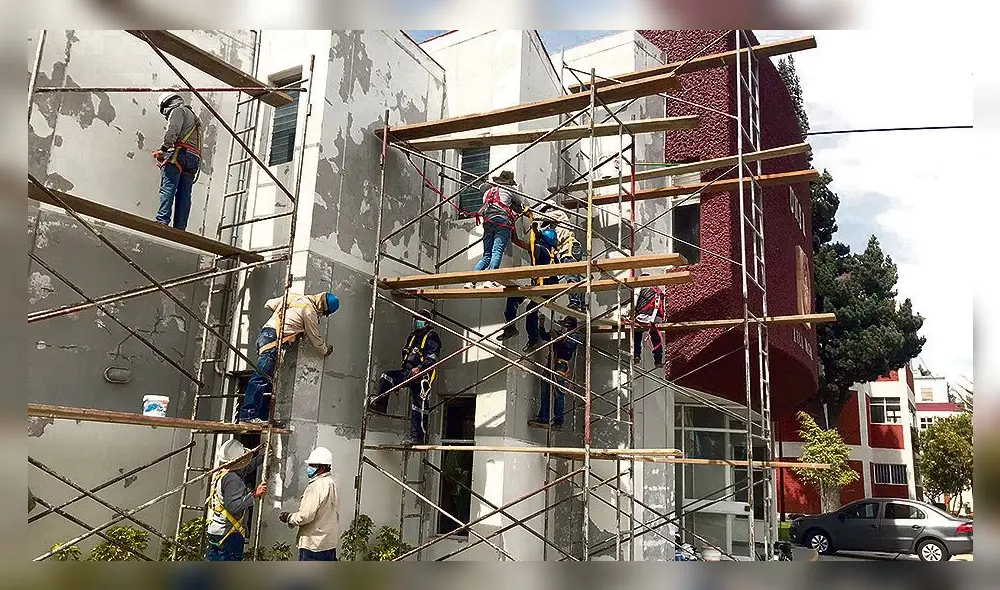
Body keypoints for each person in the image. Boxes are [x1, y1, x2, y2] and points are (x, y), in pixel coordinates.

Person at [237, 292, 340, 424]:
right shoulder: (309, 311)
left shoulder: (293, 297)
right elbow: (314, 337)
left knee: (268, 380)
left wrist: (287, 316)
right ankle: (247, 415)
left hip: (267, 334)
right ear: (324, 307)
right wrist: (325, 351)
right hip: (274, 340)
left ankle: (262, 417)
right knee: (260, 378)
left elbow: (268, 304)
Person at [368, 312, 442, 445]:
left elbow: (433, 358)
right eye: (416, 320)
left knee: (418, 406)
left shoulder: (432, 336)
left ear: (426, 322)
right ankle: (380, 404)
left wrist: (420, 368)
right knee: (387, 377)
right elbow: (407, 356)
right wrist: (400, 382)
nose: (416, 322)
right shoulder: (413, 336)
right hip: (408, 372)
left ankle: (417, 438)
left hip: (423, 375)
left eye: (419, 320)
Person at [499, 223, 559, 352]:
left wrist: (512, 224)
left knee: (523, 303)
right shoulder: (552, 254)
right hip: (547, 287)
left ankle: (520, 332)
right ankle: (531, 338)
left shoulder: (540, 250)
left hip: (544, 287)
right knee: (529, 307)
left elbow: (516, 241)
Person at [206, 438, 266, 561]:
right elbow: (233, 506)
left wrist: (262, 458)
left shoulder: (224, 473)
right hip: (229, 534)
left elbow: (245, 470)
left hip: (218, 531)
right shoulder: (232, 479)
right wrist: (254, 494)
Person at [464, 170, 524, 289]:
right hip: (502, 222)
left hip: (488, 222)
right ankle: (489, 280)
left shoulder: (488, 191)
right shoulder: (509, 189)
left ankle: (471, 282)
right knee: (497, 251)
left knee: (487, 255)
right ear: (509, 182)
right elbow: (520, 201)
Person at [279, 446, 340, 561]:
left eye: (313, 465)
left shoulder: (316, 486)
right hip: (328, 544)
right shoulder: (332, 483)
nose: (309, 468)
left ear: (322, 467)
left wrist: (289, 517)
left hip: (313, 546)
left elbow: (305, 516)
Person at [152, 92, 202, 231]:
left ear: (166, 105)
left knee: (168, 187)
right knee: (184, 194)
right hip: (193, 159)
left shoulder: (178, 111)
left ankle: (162, 220)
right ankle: (180, 227)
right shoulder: (196, 119)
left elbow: (172, 131)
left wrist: (163, 149)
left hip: (180, 154)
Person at [528, 316, 581, 429]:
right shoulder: (559, 334)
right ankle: (543, 418)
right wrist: (541, 325)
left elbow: (565, 351)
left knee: (558, 394)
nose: (562, 327)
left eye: (565, 326)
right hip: (551, 364)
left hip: (560, 366)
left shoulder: (575, 336)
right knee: (545, 391)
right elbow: (544, 336)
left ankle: (558, 422)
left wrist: (556, 337)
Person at [537, 206, 586, 313]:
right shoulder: (557, 225)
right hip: (572, 247)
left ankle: (575, 303)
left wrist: (529, 213)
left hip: (568, 248)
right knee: (576, 276)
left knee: (571, 276)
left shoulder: (559, 213)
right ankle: (581, 305)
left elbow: (540, 217)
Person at [626, 276, 666, 368]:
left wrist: (626, 314)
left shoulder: (640, 287)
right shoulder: (658, 291)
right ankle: (658, 360)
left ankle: (636, 355)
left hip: (643, 318)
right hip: (656, 319)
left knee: (637, 332)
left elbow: (633, 303)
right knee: (655, 337)